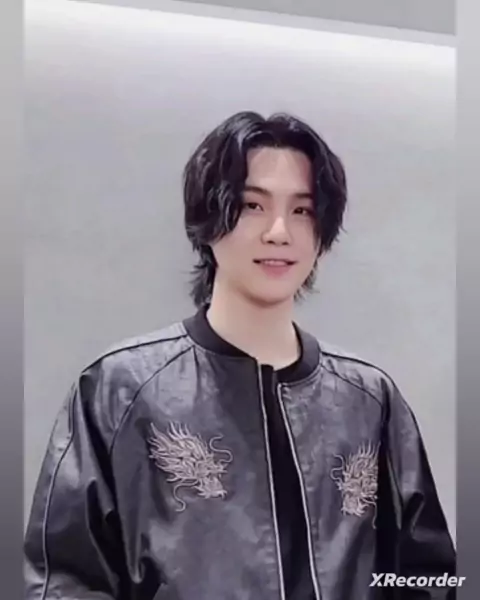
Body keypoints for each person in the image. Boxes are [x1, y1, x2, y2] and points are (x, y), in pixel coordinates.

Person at [24, 111, 456, 600]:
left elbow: (428, 576)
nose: (279, 231)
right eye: (252, 205)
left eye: (302, 210)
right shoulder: (121, 389)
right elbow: (64, 580)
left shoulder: (369, 401)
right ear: (208, 219)